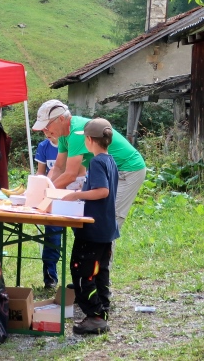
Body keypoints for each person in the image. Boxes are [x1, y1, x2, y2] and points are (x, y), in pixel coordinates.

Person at [33, 99, 146, 231]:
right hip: (106, 170)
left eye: (47, 126)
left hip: (128, 169)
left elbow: (70, 175)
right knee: (95, 214)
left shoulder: (76, 133)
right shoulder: (63, 134)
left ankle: (105, 245)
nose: (45, 131)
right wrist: (42, 191)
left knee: (109, 216)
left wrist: (45, 194)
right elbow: (58, 167)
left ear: (61, 119)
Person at [61, 118, 120, 335]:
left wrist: (77, 194)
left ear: (89, 140)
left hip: (93, 231)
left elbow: (102, 191)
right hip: (106, 229)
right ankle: (102, 309)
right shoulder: (110, 160)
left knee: (82, 272)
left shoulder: (96, 162)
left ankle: (94, 316)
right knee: (100, 272)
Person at [36, 137, 62, 288]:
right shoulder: (43, 146)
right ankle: (51, 278)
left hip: (74, 197)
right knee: (52, 238)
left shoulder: (73, 143)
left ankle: (83, 279)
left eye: (49, 128)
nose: (46, 132)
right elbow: (41, 174)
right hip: (52, 200)